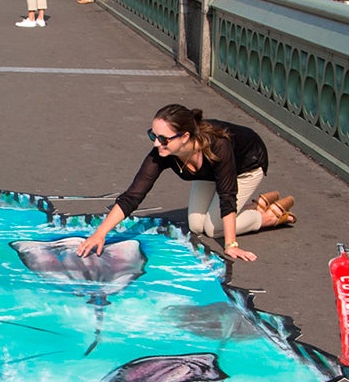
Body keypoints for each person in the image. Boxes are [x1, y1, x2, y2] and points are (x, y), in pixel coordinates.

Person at [76, 103, 293, 263]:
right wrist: (100, 233)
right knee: (196, 225)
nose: (156, 142)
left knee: (212, 228)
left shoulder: (219, 147)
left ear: (185, 137)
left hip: (246, 166)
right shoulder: (163, 152)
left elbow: (227, 196)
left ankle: (266, 216)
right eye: (153, 135)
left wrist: (231, 244)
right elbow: (133, 195)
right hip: (208, 173)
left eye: (163, 138)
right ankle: (253, 208)